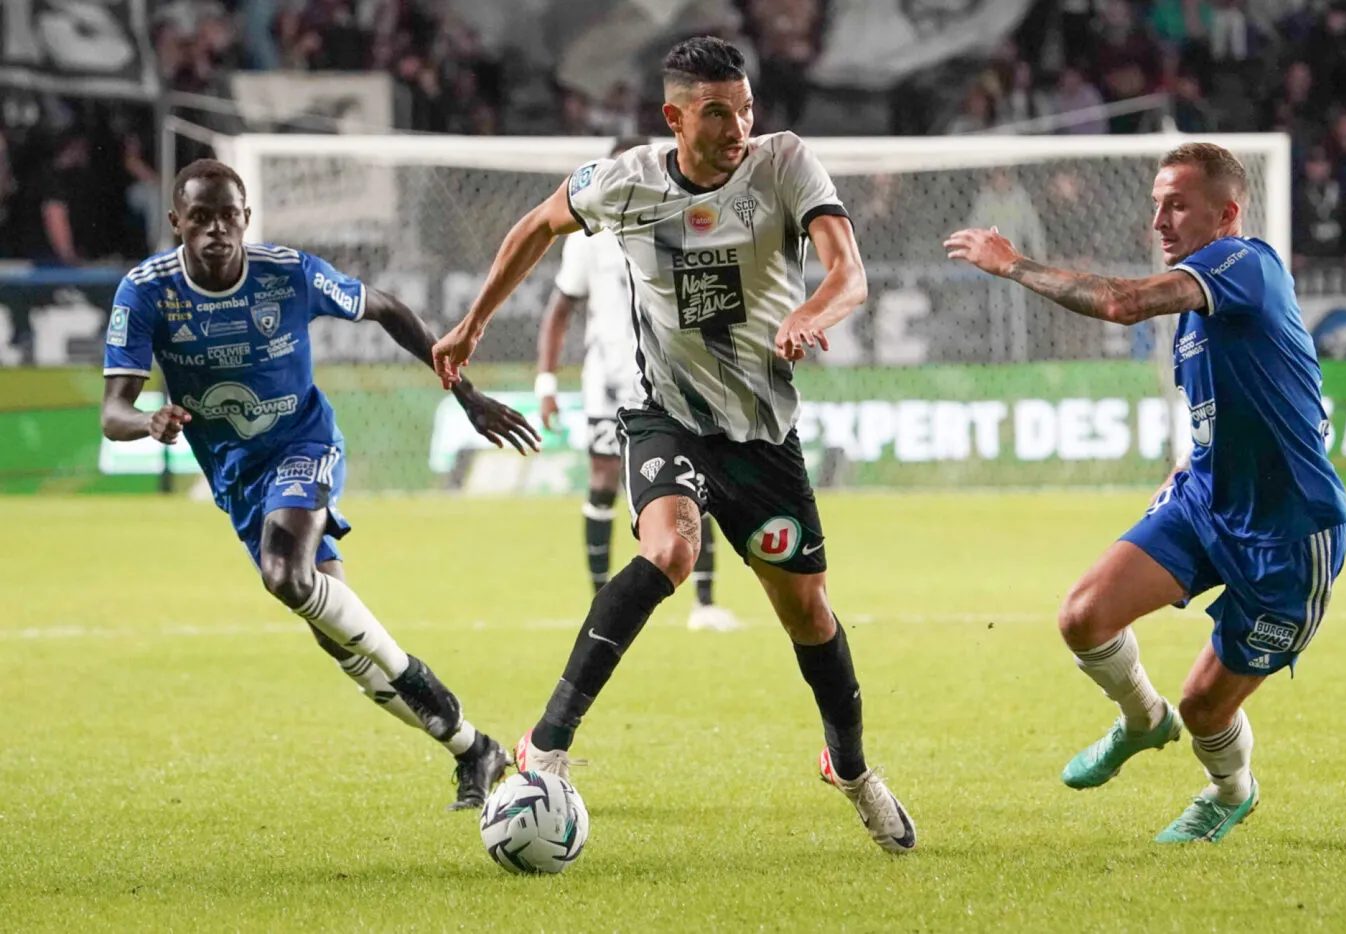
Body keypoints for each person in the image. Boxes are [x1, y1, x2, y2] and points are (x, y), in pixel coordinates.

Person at [432, 36, 915, 854]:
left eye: (747, 108)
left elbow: (850, 273)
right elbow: (538, 223)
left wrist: (810, 315)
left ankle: (853, 768)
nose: (739, 127)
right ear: (676, 117)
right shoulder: (626, 180)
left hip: (762, 437)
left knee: (808, 614)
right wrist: (473, 323)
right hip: (667, 417)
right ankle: (545, 745)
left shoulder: (786, 163)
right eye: (720, 112)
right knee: (671, 550)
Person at [101, 159, 540, 811]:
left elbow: (385, 308)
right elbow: (112, 412)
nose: (217, 230)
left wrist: (464, 394)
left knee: (285, 576)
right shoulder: (146, 293)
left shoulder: (287, 273)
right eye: (201, 218)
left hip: (304, 445)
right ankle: (472, 747)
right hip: (238, 477)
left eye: (229, 216)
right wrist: (147, 419)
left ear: (246, 217)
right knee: (333, 631)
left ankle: (440, 698)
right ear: (176, 223)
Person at [945, 142, 1346, 843]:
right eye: (1156, 203)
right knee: (1083, 616)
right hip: (1206, 500)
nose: (1159, 219)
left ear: (1225, 213)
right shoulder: (1200, 311)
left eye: (1177, 205)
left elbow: (1121, 302)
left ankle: (1230, 790)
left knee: (1206, 711)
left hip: (1290, 534)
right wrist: (1184, 477)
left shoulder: (1242, 262)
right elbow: (1227, 413)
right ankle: (1141, 719)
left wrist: (1010, 263)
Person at [536, 135, 741, 632]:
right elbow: (561, 306)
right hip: (608, 381)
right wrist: (546, 381)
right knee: (603, 480)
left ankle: (706, 602)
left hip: (672, 378)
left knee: (695, 480)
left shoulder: (680, 223)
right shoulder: (588, 234)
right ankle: (600, 601)